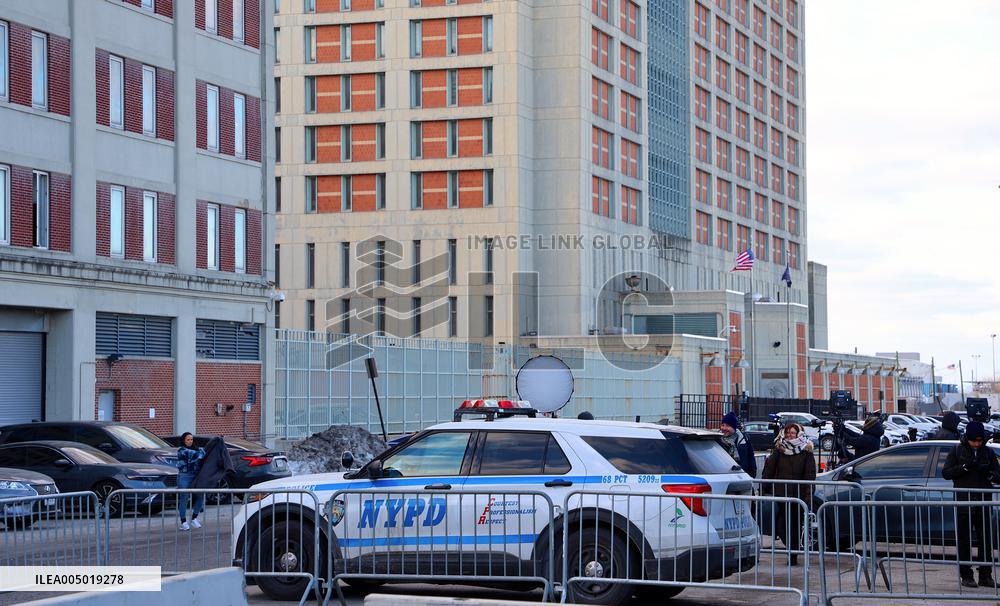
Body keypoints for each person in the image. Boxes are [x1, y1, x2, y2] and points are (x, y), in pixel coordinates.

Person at [942, 421, 1000, 588]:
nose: (976, 444)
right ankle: (966, 575)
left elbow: (998, 475)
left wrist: (989, 474)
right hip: (964, 501)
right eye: (973, 441)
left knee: (985, 540)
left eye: (980, 441)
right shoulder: (957, 450)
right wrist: (965, 468)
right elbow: (946, 472)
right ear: (967, 438)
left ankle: (985, 575)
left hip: (983, 501)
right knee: (965, 540)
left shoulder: (988, 452)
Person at [761, 423, 816, 565]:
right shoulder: (779, 450)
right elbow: (769, 470)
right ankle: (790, 548)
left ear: (798, 434)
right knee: (781, 524)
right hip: (781, 493)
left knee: (795, 525)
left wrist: (808, 493)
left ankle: (793, 555)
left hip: (798, 495)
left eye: (792, 432)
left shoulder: (806, 451)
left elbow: (810, 474)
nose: (790, 435)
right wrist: (764, 486)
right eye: (787, 433)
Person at [176, 432, 206, 531]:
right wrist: (203, 451)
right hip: (184, 476)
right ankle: (183, 522)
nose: (190, 441)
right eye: (188, 439)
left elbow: (203, 454)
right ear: (183, 440)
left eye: (191, 439)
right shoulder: (181, 450)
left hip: (195, 476)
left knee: (200, 496)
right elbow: (199, 455)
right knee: (184, 498)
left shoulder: (196, 449)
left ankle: (194, 518)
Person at [720, 412, 757, 477]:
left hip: (743, 475)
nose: (724, 428)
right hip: (724, 475)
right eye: (723, 425)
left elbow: (750, 455)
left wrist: (752, 473)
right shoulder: (718, 439)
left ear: (734, 427)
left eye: (728, 426)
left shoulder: (744, 439)